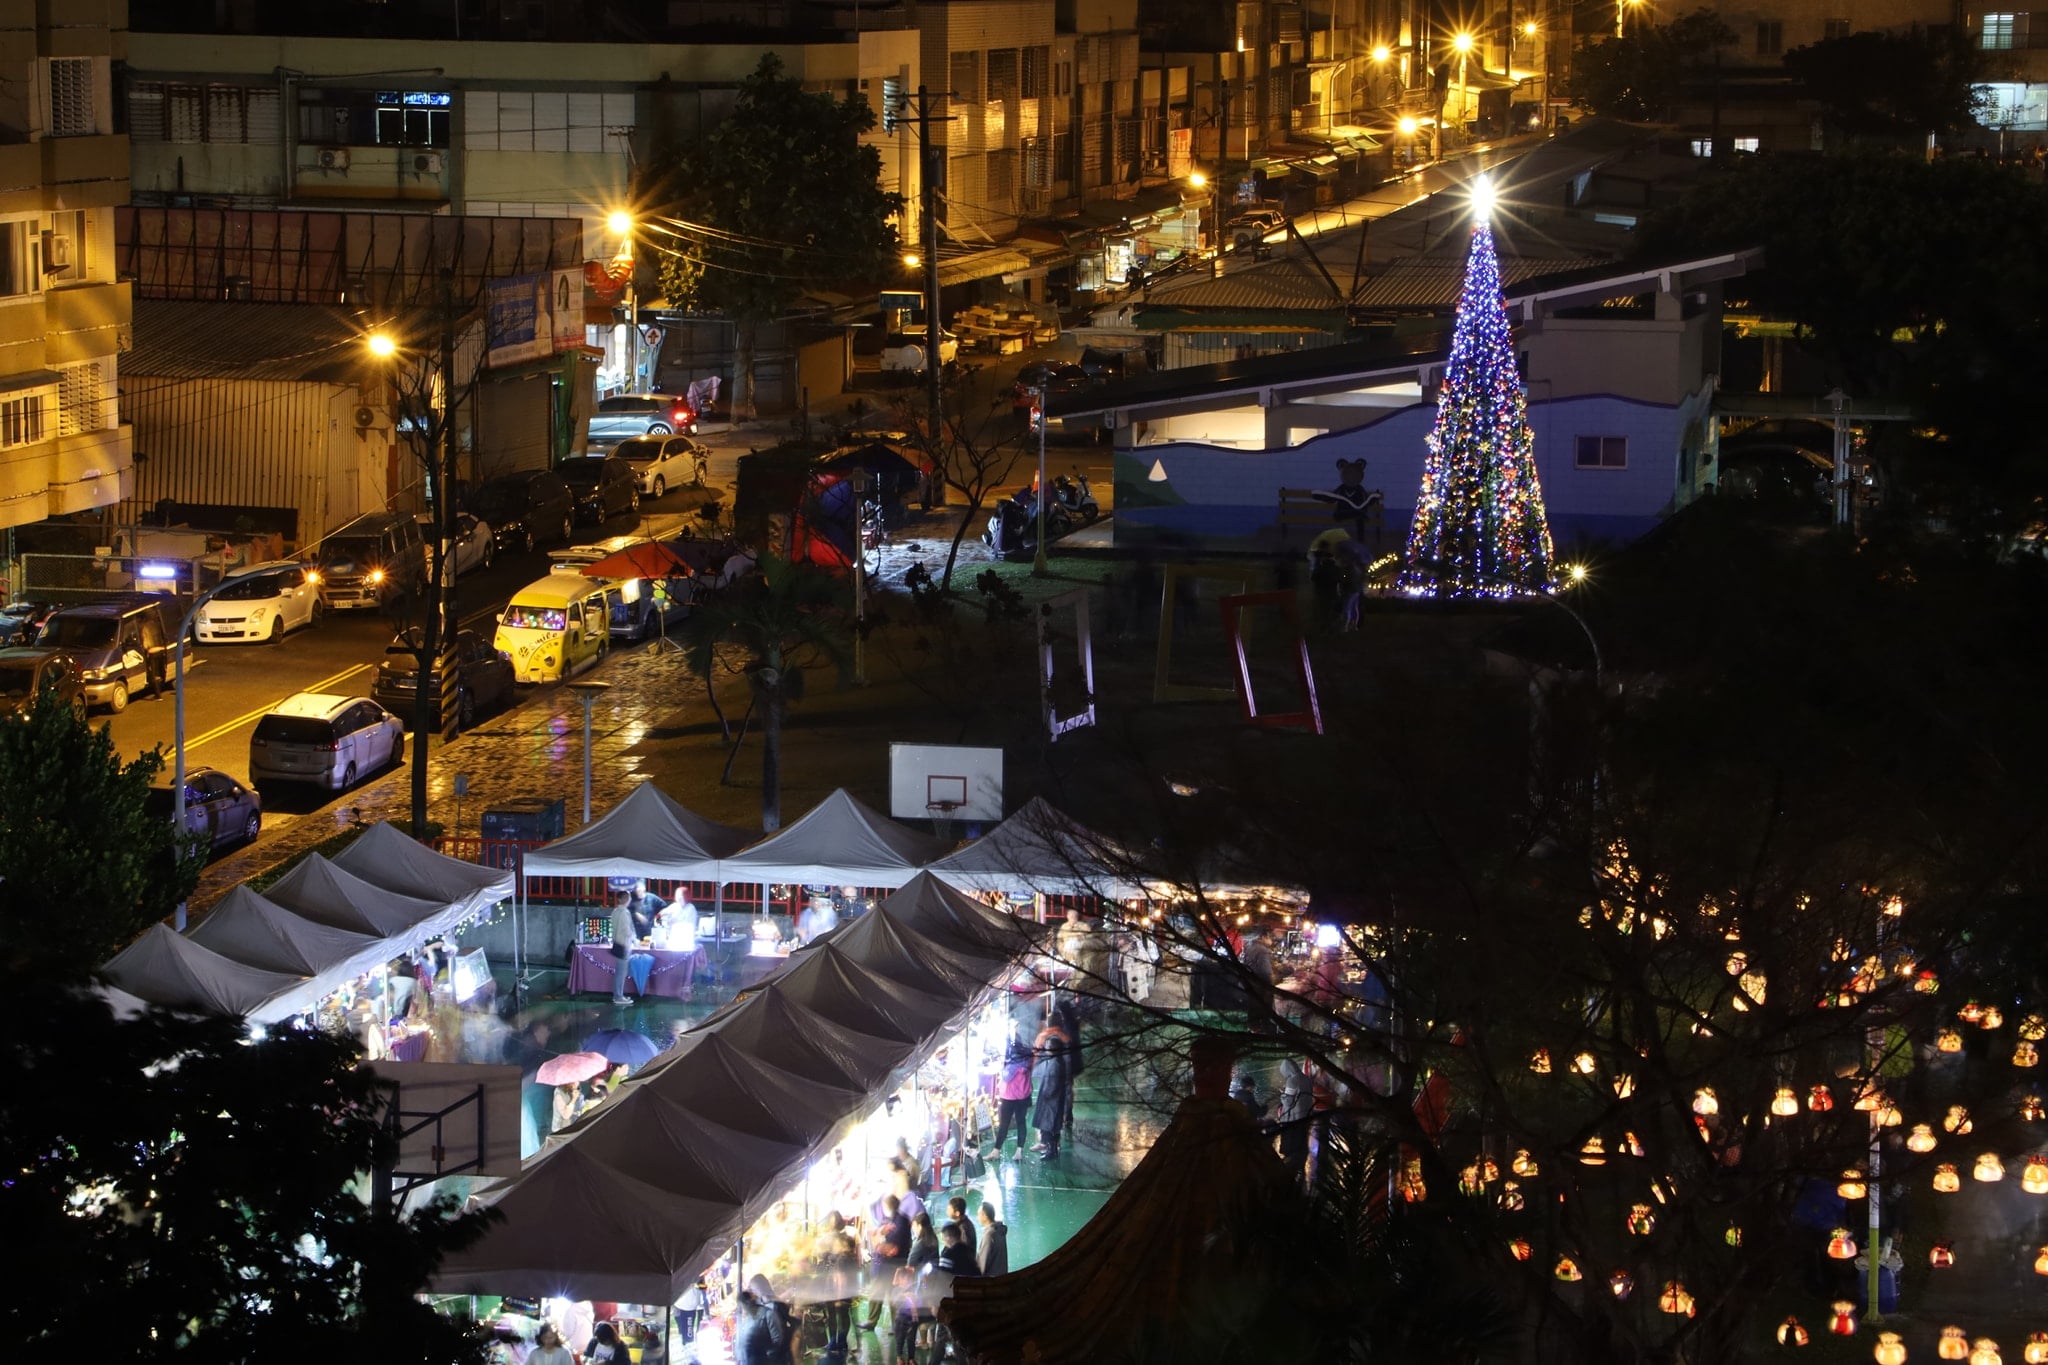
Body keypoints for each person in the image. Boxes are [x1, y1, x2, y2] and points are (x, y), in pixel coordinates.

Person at [1030, 1010, 1074, 1159]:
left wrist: (1046, 1094)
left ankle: (1051, 1149)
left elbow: (1051, 1083)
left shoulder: (1054, 1061)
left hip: (1051, 1099)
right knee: (1052, 1125)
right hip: (1055, 1096)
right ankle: (1050, 1146)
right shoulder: (1062, 1041)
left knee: (1050, 1126)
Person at [815, 1210, 859, 1353]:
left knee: (833, 1312)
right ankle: (841, 1342)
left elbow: (820, 1256)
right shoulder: (848, 1238)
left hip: (832, 1280)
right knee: (843, 1312)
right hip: (845, 1281)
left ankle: (834, 1341)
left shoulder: (826, 1239)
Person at [993, 1020, 1033, 1158]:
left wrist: (1002, 1066)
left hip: (1009, 1097)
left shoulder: (1011, 1064)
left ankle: (996, 1150)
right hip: (1023, 1096)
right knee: (1021, 1123)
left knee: (1004, 1124)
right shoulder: (1027, 1060)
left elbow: (1006, 1078)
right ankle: (1019, 1151)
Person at [733, 1275, 790, 1365]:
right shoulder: (754, 1310)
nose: (753, 1293)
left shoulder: (775, 1307)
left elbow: (778, 1338)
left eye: (753, 1289)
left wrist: (768, 1356)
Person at [608, 891, 637, 1004]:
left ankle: (618, 995)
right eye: (626, 897)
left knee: (619, 972)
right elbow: (626, 930)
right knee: (621, 973)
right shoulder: (624, 912)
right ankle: (618, 996)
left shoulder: (615, 911)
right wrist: (634, 937)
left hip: (617, 943)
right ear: (623, 899)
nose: (628, 899)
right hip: (624, 945)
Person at [976, 1203, 1009, 1276]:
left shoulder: (989, 1235)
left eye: (978, 1214)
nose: (977, 1217)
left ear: (985, 1216)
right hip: (1002, 1276)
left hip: (991, 1281)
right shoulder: (999, 1230)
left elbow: (982, 1265)